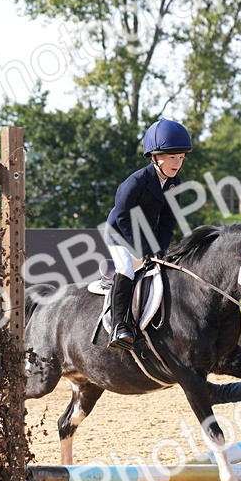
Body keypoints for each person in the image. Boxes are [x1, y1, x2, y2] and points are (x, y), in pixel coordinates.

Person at [102, 118, 193, 351]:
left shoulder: (174, 183)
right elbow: (122, 217)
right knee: (126, 268)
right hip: (120, 234)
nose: (177, 163)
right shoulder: (135, 182)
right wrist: (141, 250)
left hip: (147, 236)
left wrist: (160, 249)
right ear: (155, 157)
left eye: (181, 158)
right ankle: (120, 326)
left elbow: (169, 220)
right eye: (172, 157)